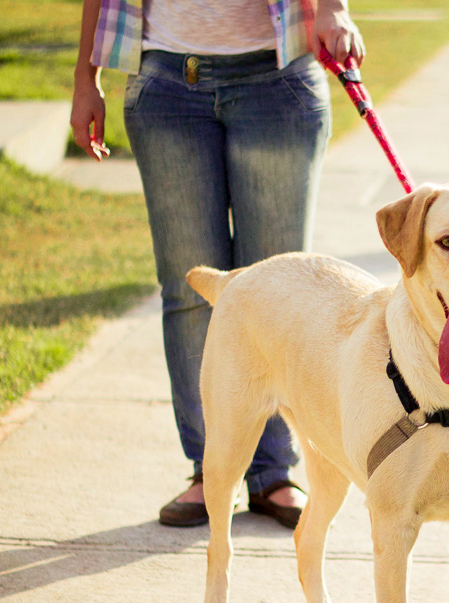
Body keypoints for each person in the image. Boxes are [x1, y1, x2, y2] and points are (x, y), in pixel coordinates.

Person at [70, 0, 364, 528]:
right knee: (189, 289)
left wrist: (335, 8)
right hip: (165, 81)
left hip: (275, 78)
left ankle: (273, 471)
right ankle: (211, 469)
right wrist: (84, 77)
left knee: (282, 297)